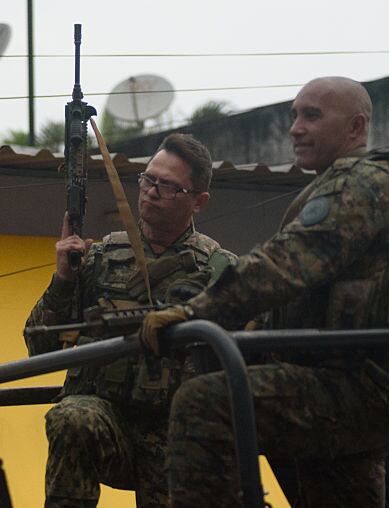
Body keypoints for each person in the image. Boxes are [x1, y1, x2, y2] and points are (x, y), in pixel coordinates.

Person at [140, 77, 389, 507]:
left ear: (356, 127)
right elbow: (301, 296)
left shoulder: (362, 183)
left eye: (312, 116)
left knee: (207, 403)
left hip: (353, 387)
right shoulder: (373, 180)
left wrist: (195, 314)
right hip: (356, 383)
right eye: (294, 115)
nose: (295, 128)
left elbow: (285, 264)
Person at [25, 133, 237, 508]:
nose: (152, 192)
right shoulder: (100, 256)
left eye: (168, 186)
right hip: (108, 422)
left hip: (178, 433)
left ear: (198, 201)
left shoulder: (218, 270)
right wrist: (63, 279)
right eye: (148, 179)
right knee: (72, 417)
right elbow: (38, 345)